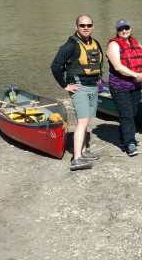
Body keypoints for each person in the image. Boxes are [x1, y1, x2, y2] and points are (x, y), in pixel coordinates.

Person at [50, 15, 103, 171]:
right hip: (79, 87)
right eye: (82, 25)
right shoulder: (70, 46)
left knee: (86, 120)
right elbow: (55, 66)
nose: (86, 27)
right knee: (82, 121)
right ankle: (77, 158)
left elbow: (99, 61)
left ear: (92, 26)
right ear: (76, 27)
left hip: (92, 85)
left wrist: (99, 77)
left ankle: (84, 151)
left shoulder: (95, 43)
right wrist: (65, 85)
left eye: (88, 25)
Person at [106, 19, 142, 156]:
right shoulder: (113, 45)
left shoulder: (134, 42)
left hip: (136, 84)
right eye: (121, 29)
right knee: (126, 115)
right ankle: (130, 142)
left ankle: (122, 137)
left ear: (130, 28)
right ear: (117, 31)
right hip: (120, 86)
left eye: (126, 28)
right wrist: (135, 75)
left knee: (133, 112)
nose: (124, 31)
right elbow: (118, 66)